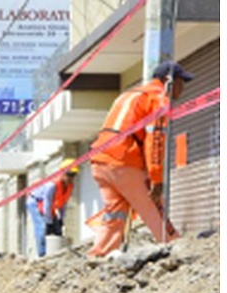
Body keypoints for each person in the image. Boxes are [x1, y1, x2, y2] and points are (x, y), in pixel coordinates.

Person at [86, 60, 190, 257]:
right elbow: (155, 141)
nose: (182, 88)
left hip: (101, 160)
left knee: (115, 212)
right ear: (169, 81)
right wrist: (156, 179)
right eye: (181, 82)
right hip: (124, 161)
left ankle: (99, 255)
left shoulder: (130, 94)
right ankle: (175, 248)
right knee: (153, 206)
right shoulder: (158, 99)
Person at [26, 159, 78, 257]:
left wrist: (61, 219)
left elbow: (63, 203)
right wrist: (49, 221)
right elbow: (47, 203)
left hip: (48, 206)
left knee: (57, 230)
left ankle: (56, 254)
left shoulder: (70, 186)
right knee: (42, 228)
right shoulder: (51, 185)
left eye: (73, 175)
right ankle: (42, 255)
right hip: (36, 202)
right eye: (69, 175)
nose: (71, 178)